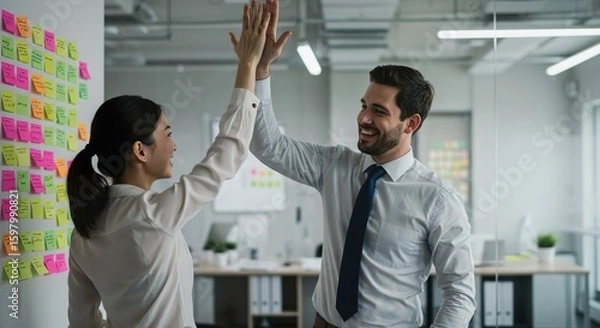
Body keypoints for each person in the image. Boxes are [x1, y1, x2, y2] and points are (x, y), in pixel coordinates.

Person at [240, 1, 477, 327]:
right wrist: (260, 71)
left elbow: (460, 291)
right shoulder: (334, 165)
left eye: (379, 111)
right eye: (364, 105)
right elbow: (268, 145)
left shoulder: (437, 198)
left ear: (410, 123)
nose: (363, 118)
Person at [66, 1, 270, 327]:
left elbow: (82, 322)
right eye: (167, 134)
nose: (174, 146)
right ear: (140, 151)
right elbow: (226, 153)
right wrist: (248, 64)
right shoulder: (154, 214)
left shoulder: (82, 234)